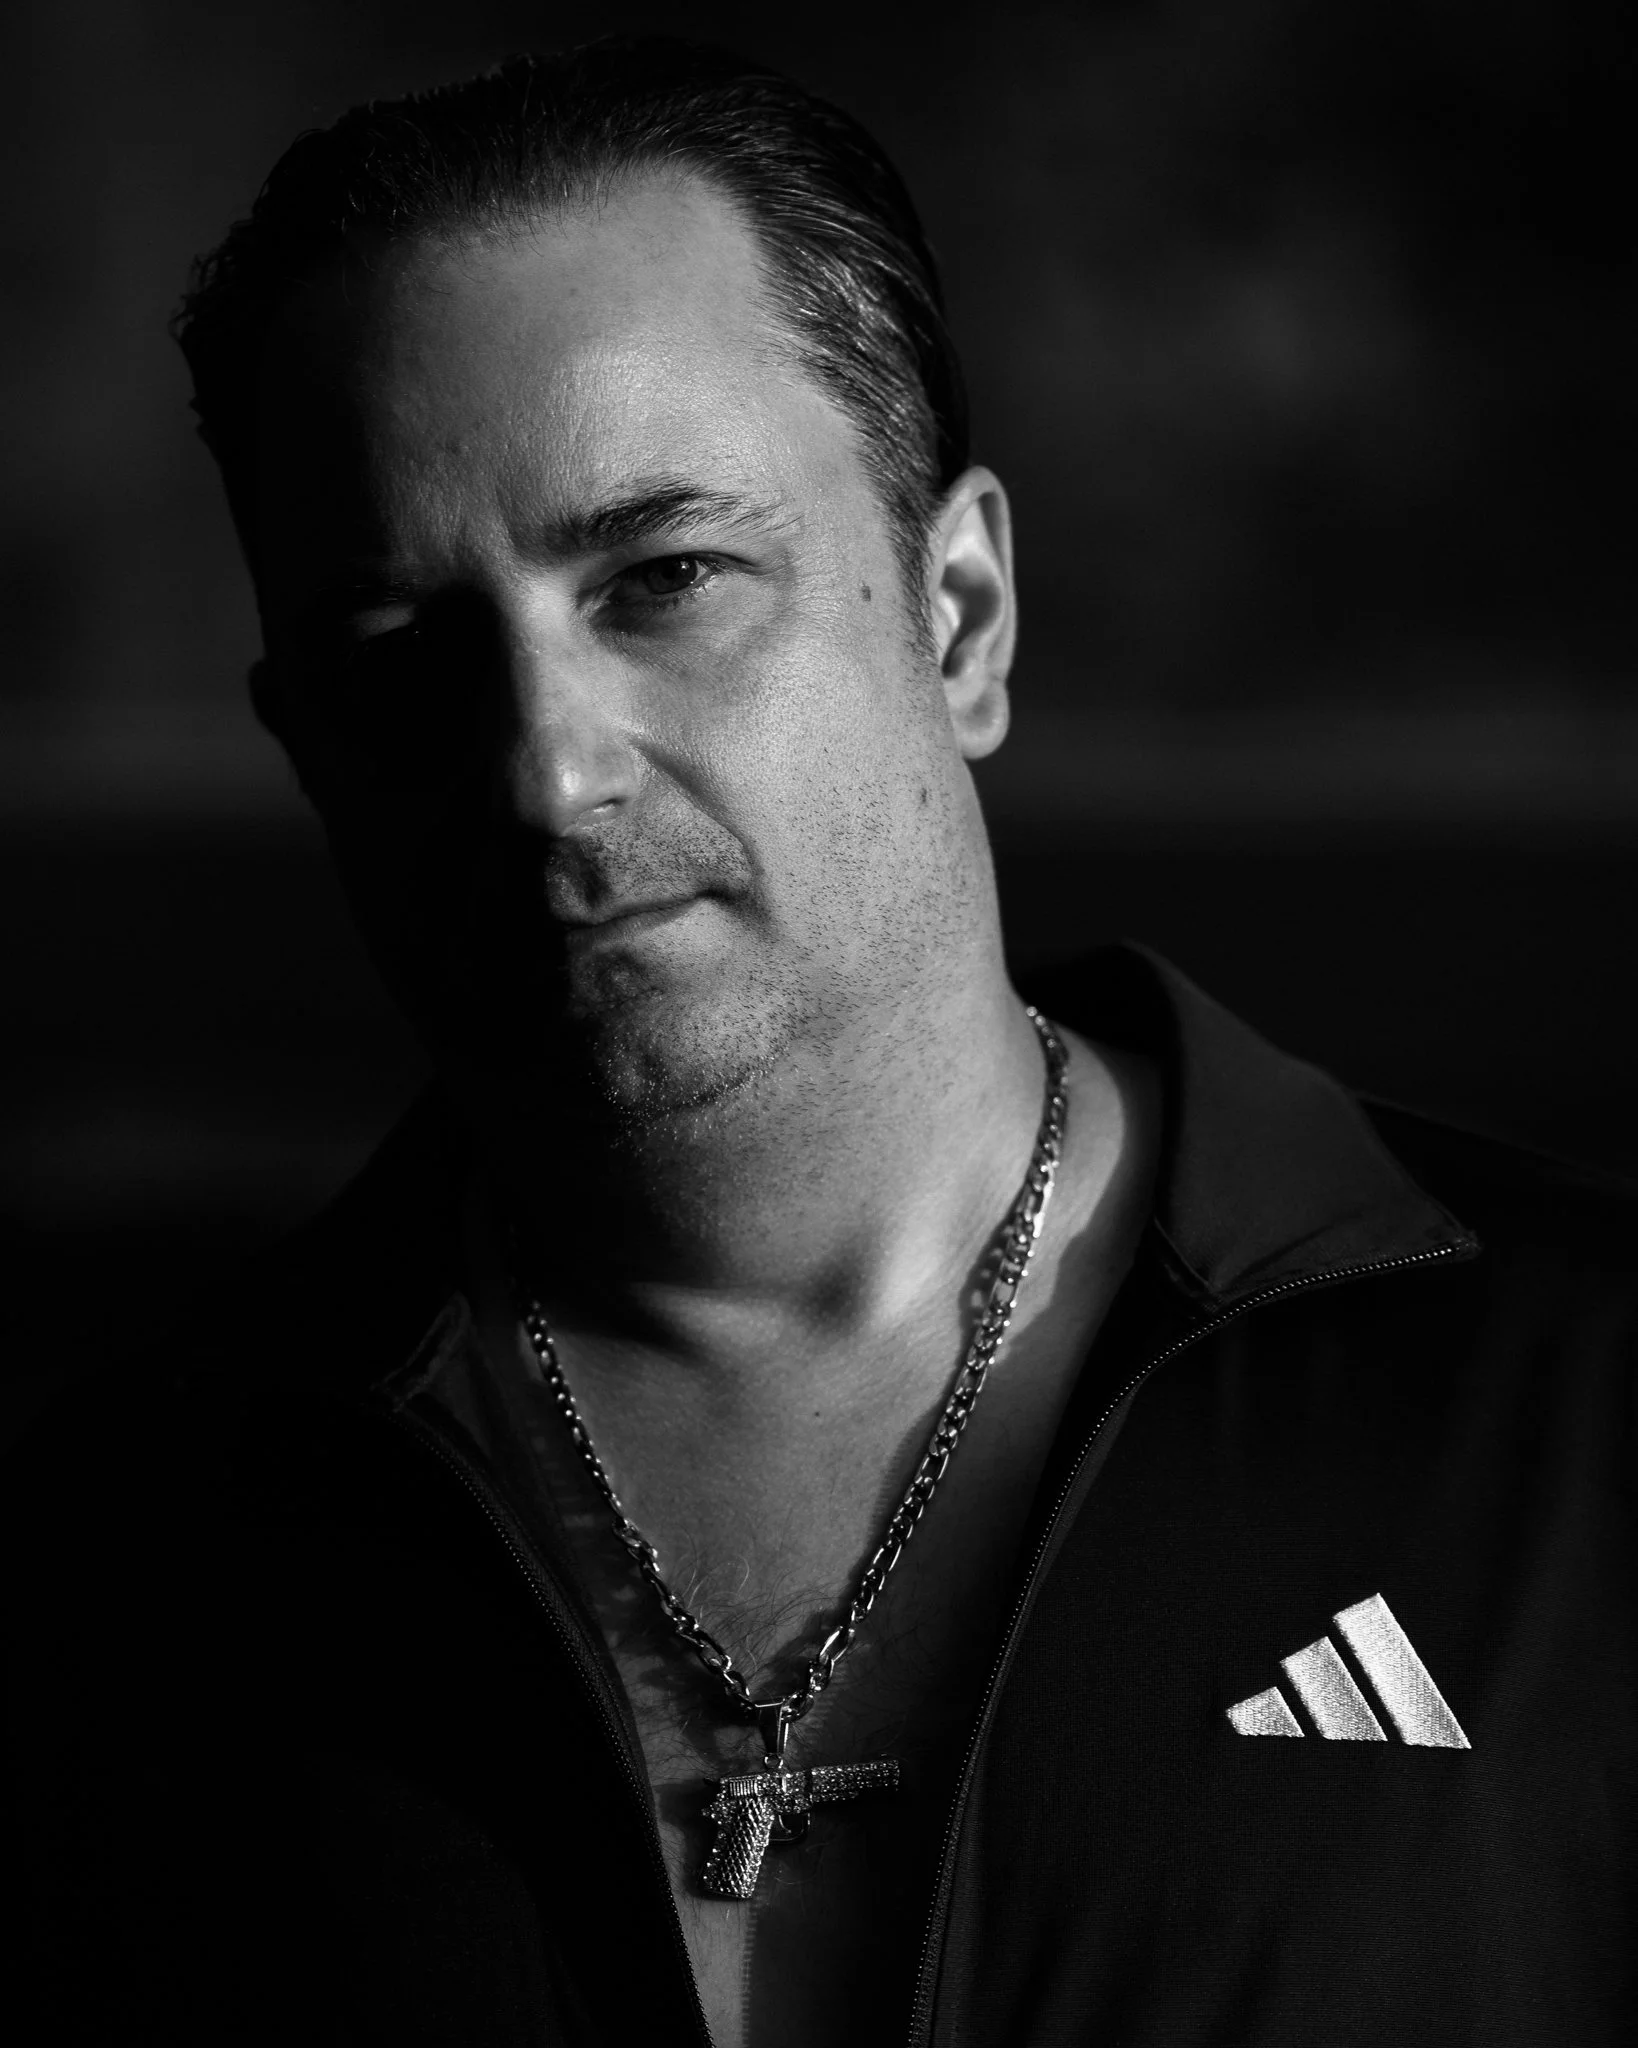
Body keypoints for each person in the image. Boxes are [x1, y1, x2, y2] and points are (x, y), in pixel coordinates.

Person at [8, 34, 1634, 2048]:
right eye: (402, 659)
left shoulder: (1577, 1419)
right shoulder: (121, 1565)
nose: (550, 767)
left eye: (666, 578)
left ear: (959, 613)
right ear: (310, 751)